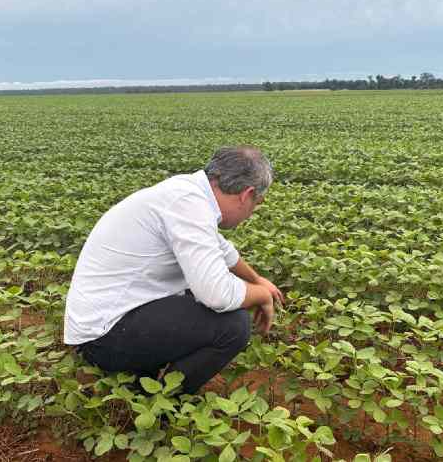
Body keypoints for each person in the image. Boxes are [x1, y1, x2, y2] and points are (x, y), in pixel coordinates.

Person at [64, 145, 284, 395]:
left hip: (110, 317)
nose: (251, 213)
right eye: (257, 204)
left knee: (196, 296)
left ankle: (142, 378)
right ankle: (160, 402)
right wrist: (260, 295)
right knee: (233, 324)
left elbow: (220, 249)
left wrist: (256, 280)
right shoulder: (190, 205)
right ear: (248, 194)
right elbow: (217, 294)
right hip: (102, 336)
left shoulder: (188, 193)